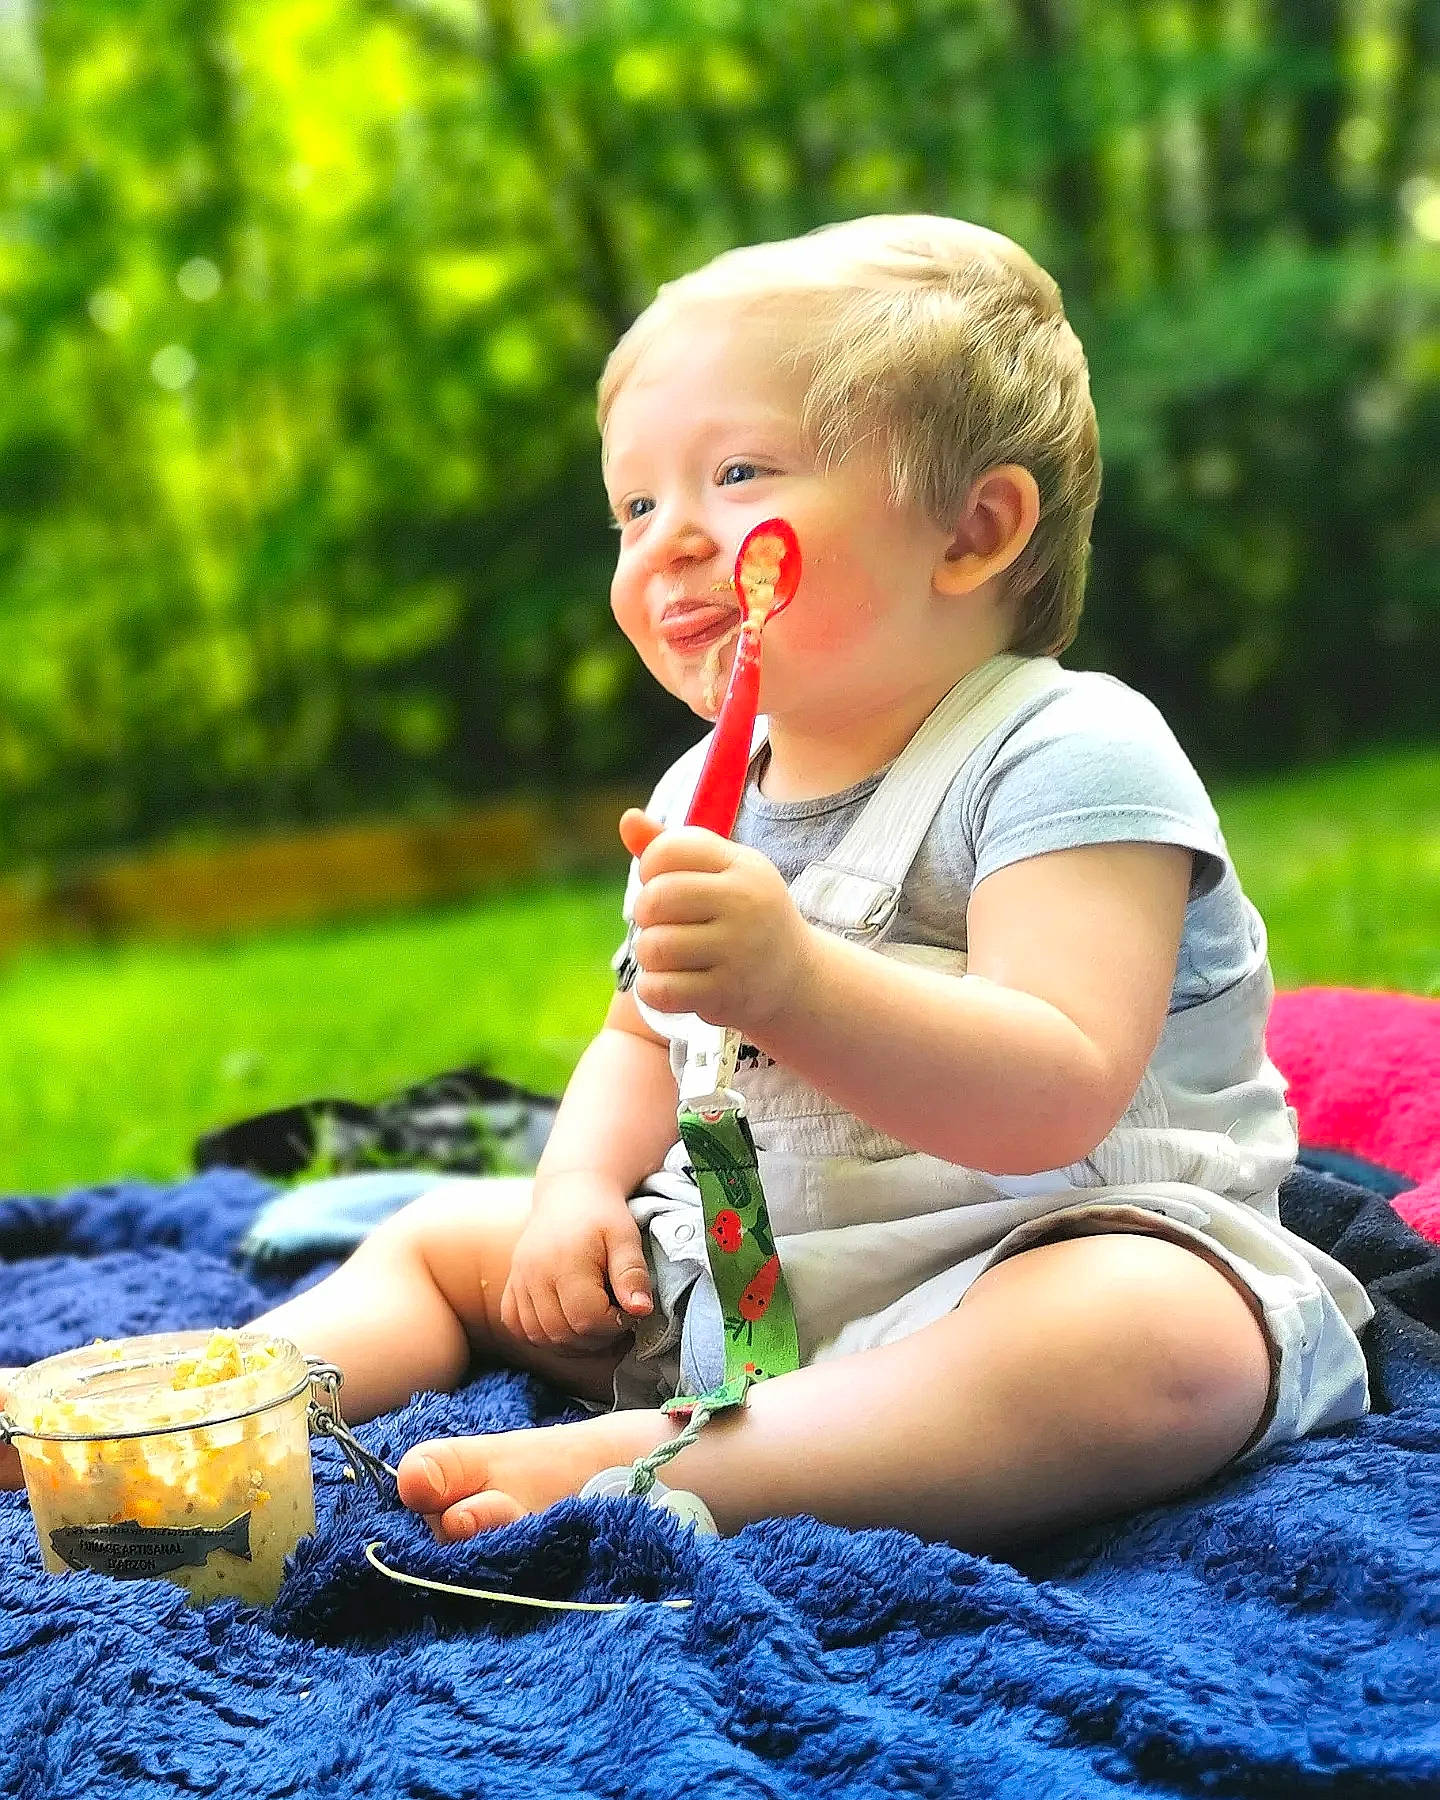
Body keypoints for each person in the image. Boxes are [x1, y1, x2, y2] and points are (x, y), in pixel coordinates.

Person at [3, 216, 1374, 1548]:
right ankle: (202, 1409)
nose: (667, 538)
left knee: (1162, 1343)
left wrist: (796, 982)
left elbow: (1056, 1087)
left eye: (738, 476)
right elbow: (639, 1039)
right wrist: (576, 1194)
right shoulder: (698, 793)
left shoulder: (1068, 749)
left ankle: (675, 1466)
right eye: (636, 504)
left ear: (973, 531)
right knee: (437, 1235)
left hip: (1028, 1258)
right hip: (749, 1277)